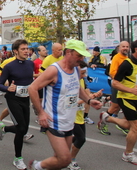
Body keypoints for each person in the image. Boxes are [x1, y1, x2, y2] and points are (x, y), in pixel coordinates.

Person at [28, 39, 102, 170]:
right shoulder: (54, 70)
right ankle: (36, 166)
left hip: (69, 120)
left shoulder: (77, 69)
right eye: (79, 55)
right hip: (53, 121)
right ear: (68, 52)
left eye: (83, 56)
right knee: (65, 159)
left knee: (59, 159)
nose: (81, 58)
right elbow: (32, 88)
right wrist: (40, 113)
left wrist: (89, 100)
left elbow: (77, 88)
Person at [97, 39, 137, 166]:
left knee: (129, 126)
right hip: (125, 98)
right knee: (136, 128)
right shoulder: (126, 64)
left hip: (135, 98)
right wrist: (131, 90)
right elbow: (115, 82)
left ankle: (107, 118)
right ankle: (128, 154)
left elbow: (136, 80)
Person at [0, 39, 34, 170]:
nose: (26, 51)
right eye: (23, 49)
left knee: (24, 129)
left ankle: (4, 129)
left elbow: (31, 82)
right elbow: (0, 84)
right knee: (21, 127)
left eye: (27, 49)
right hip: (13, 99)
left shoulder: (30, 64)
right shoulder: (9, 66)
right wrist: (8, 88)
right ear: (15, 51)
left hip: (25, 99)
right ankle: (18, 158)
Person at [68, 61, 103, 170]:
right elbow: (68, 103)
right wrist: (88, 99)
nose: (84, 75)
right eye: (82, 73)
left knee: (76, 138)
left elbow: (86, 96)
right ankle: (70, 160)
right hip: (70, 115)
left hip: (79, 115)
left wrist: (93, 96)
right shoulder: (69, 83)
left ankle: (62, 151)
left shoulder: (82, 81)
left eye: (85, 73)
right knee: (81, 139)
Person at [98, 41, 130, 135]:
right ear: (119, 48)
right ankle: (102, 121)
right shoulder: (117, 58)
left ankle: (123, 124)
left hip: (125, 86)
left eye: (127, 46)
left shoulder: (127, 58)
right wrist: (121, 81)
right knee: (115, 106)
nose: (125, 48)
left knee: (127, 106)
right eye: (123, 46)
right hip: (118, 85)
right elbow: (112, 73)